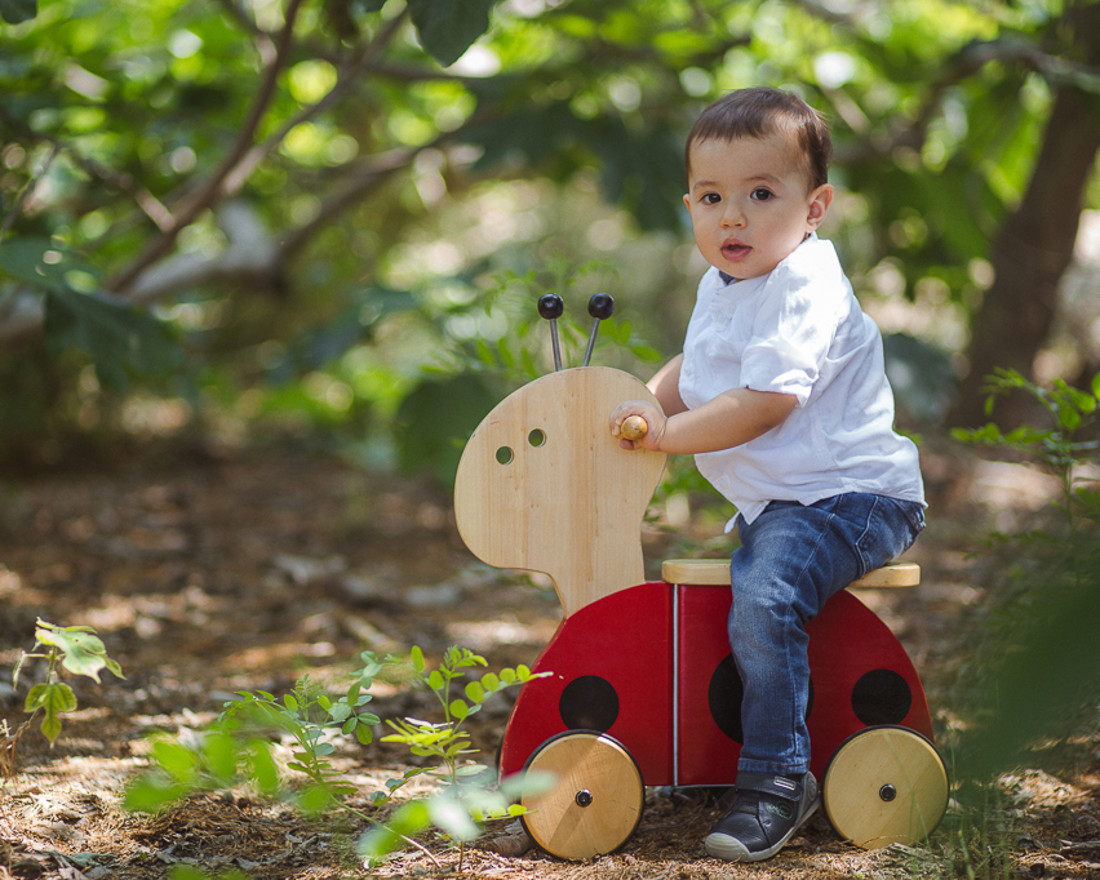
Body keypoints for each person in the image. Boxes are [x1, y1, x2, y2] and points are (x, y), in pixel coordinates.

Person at [610, 87, 926, 863]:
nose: (734, 218)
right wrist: (637, 405)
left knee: (765, 595)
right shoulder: (727, 283)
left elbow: (768, 401)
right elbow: (698, 367)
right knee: (742, 587)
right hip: (791, 503)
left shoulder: (804, 284)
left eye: (761, 194)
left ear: (814, 206)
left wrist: (667, 438)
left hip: (852, 498)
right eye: (713, 198)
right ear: (689, 206)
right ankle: (716, 743)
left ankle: (777, 779)